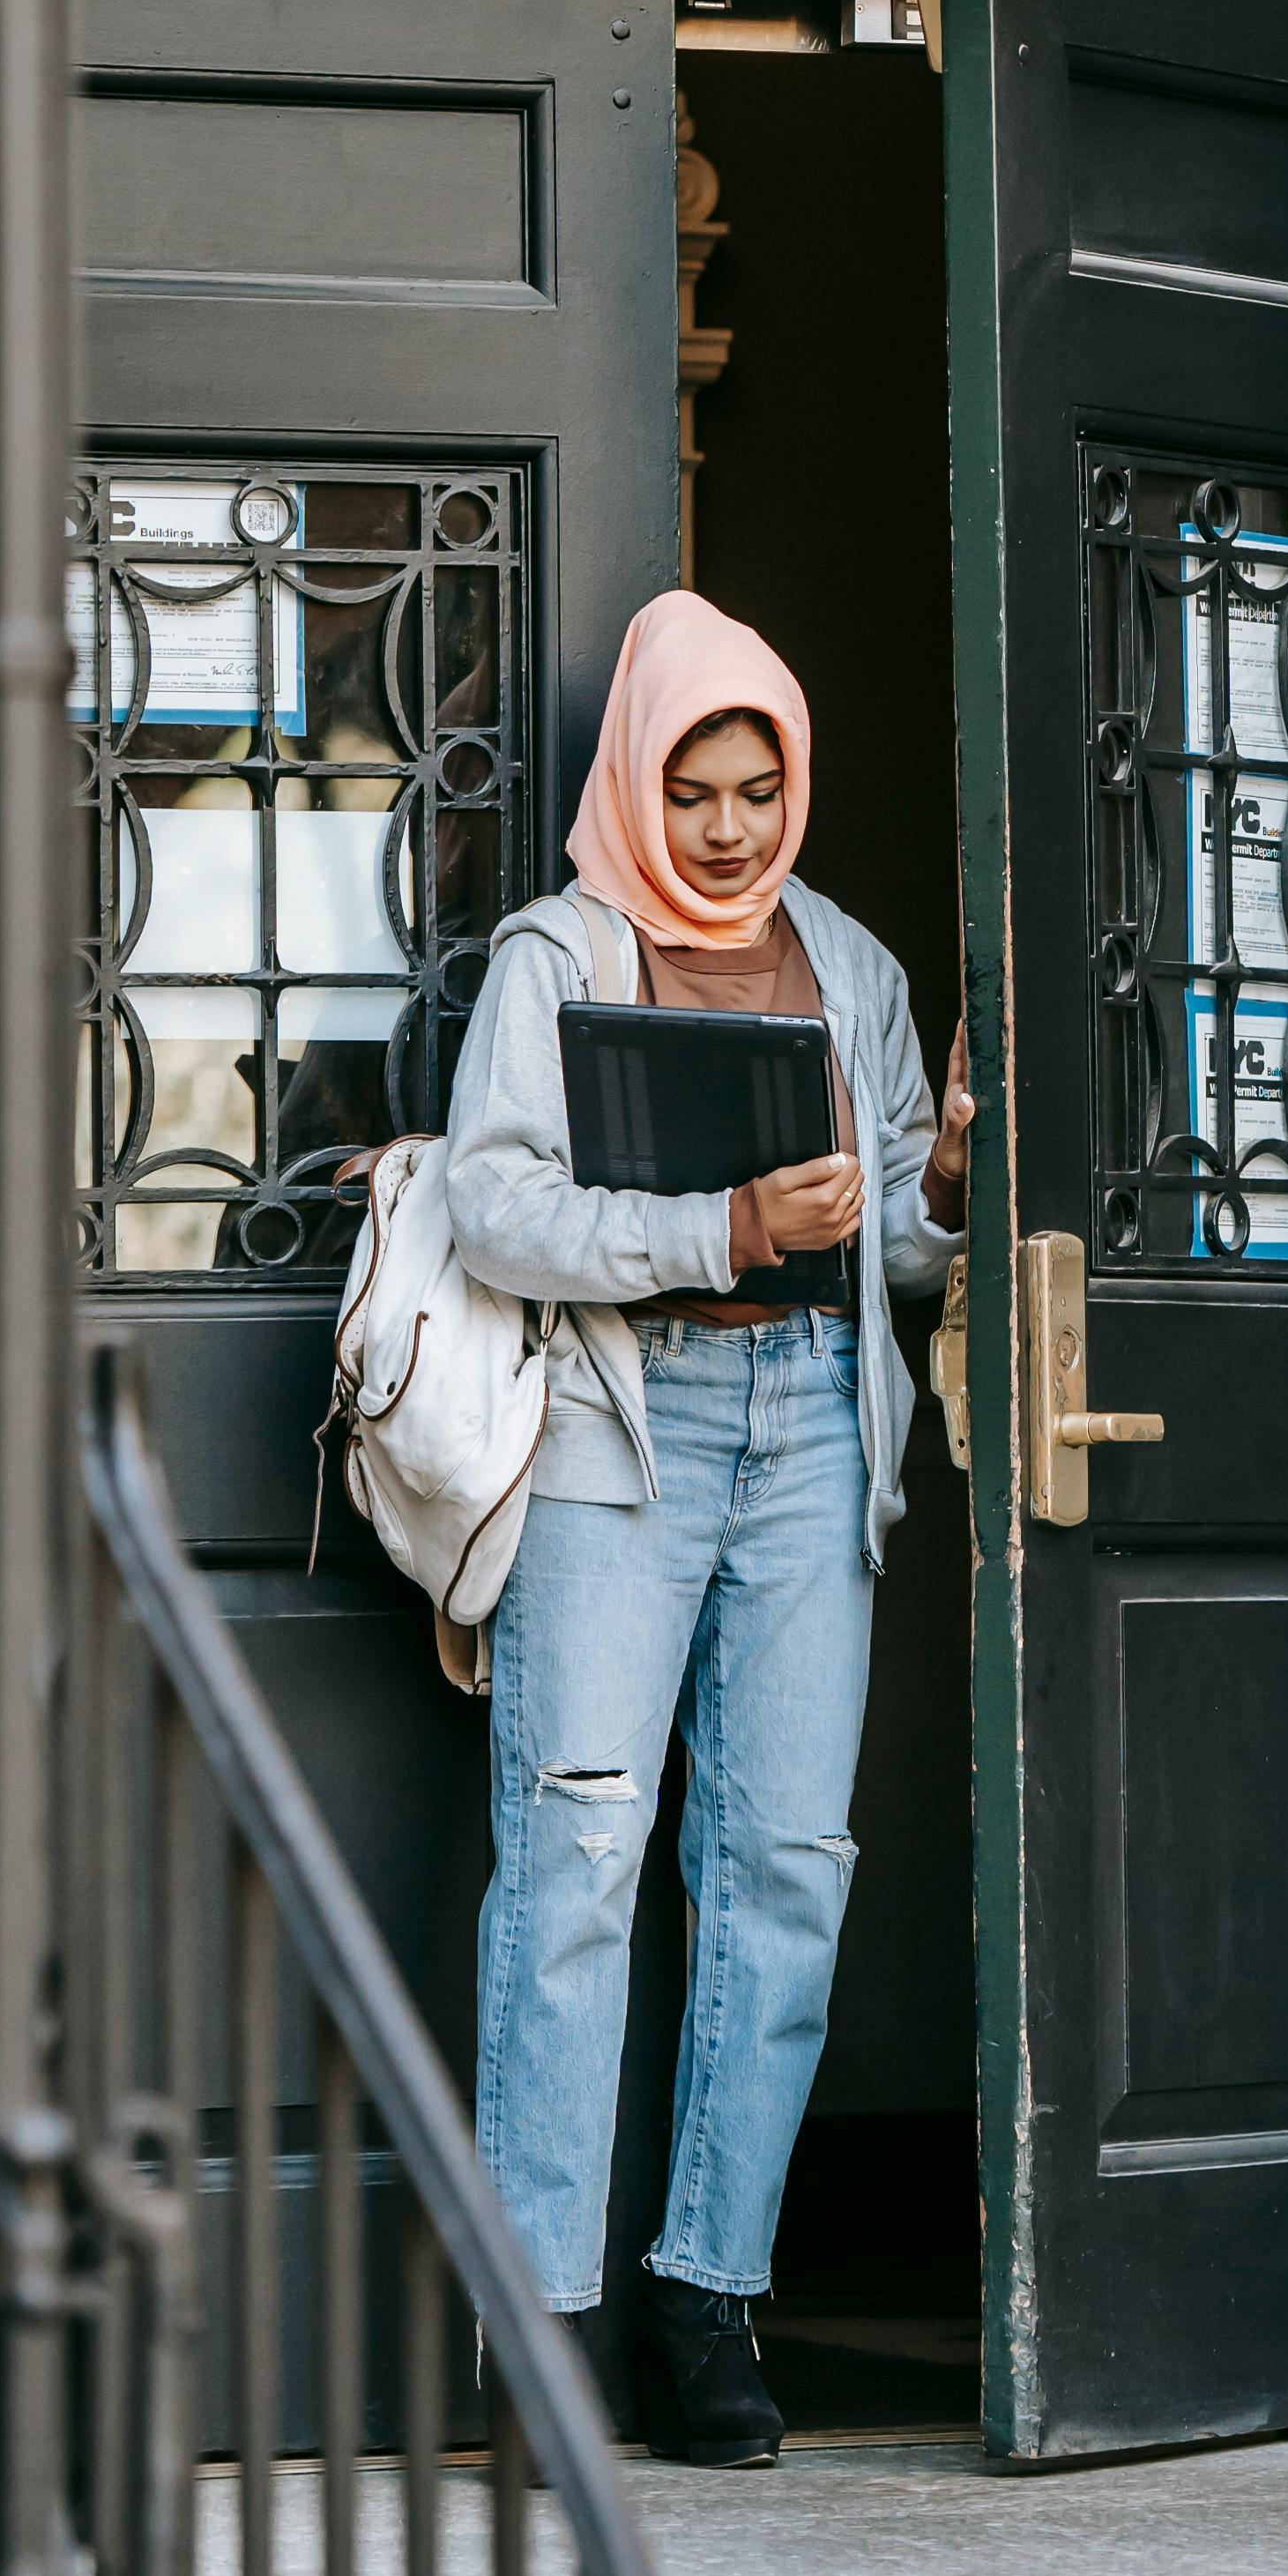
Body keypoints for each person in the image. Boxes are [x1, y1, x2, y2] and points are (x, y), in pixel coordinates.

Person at [443, 587, 968, 2466]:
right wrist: (716, 1235)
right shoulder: (557, 954)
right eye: (697, 782)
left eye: (759, 786)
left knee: (786, 1867)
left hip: (813, 1424)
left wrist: (941, 1182)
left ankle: (702, 2298)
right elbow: (493, 1210)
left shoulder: (850, 967)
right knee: (577, 1853)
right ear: (638, 777)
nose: (732, 825)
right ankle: (540, 2324)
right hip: (616, 1424)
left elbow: (898, 1245)